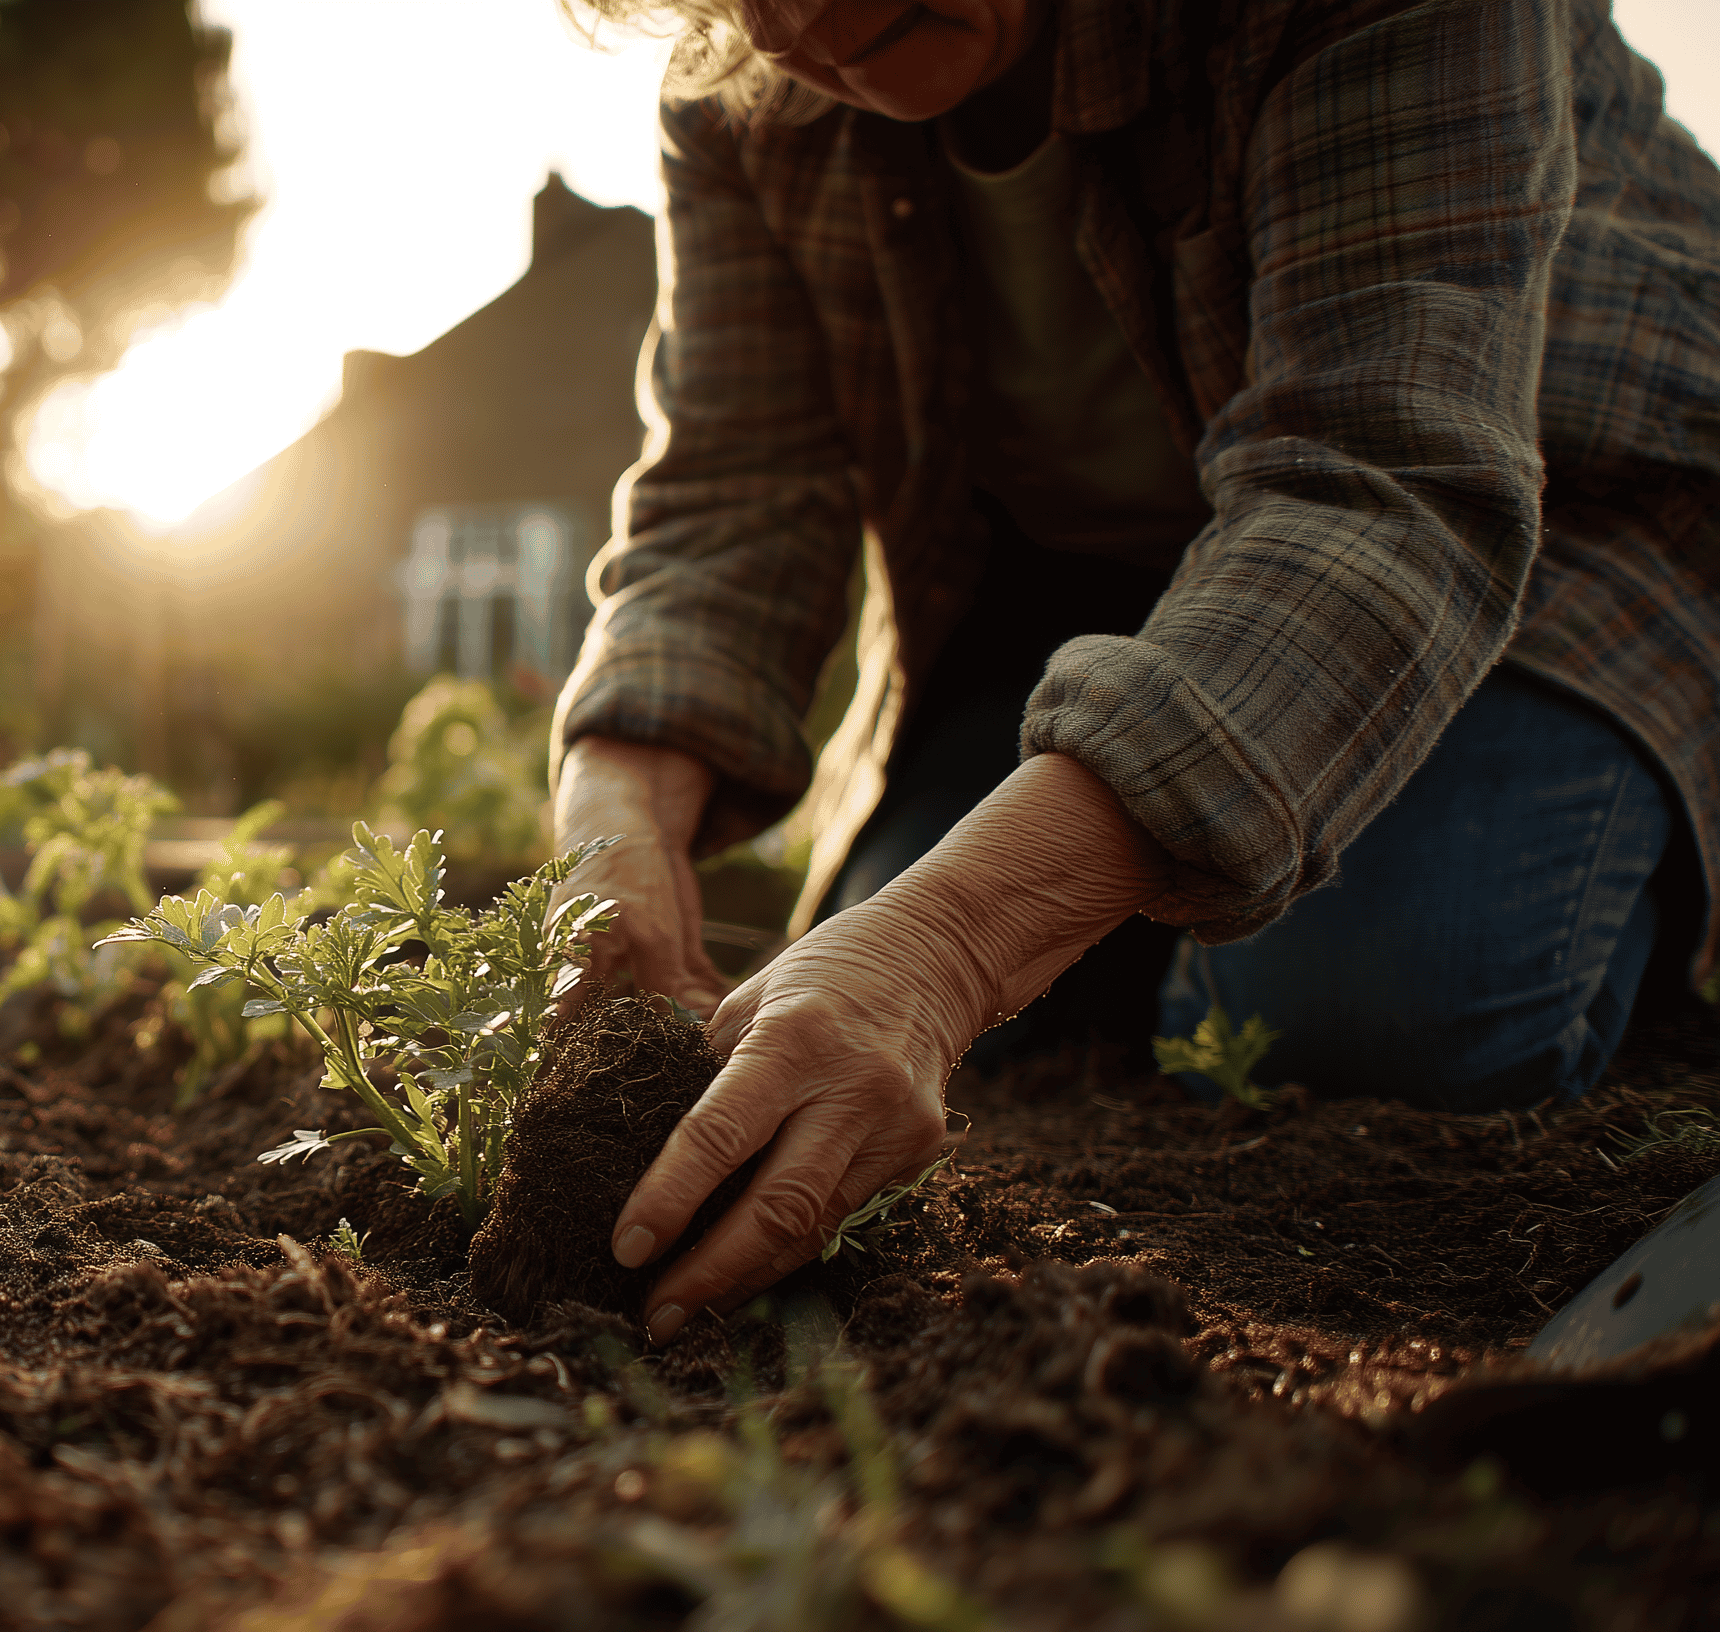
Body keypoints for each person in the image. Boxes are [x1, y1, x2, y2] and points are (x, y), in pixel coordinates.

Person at [548, 0, 1720, 1342]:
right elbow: (733, 488)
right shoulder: (746, 69)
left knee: (1343, 1027)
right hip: (1088, 608)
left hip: (1552, 537)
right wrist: (612, 820)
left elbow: (1384, 484)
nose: (797, 17)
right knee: (871, 1034)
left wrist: (941, 951)